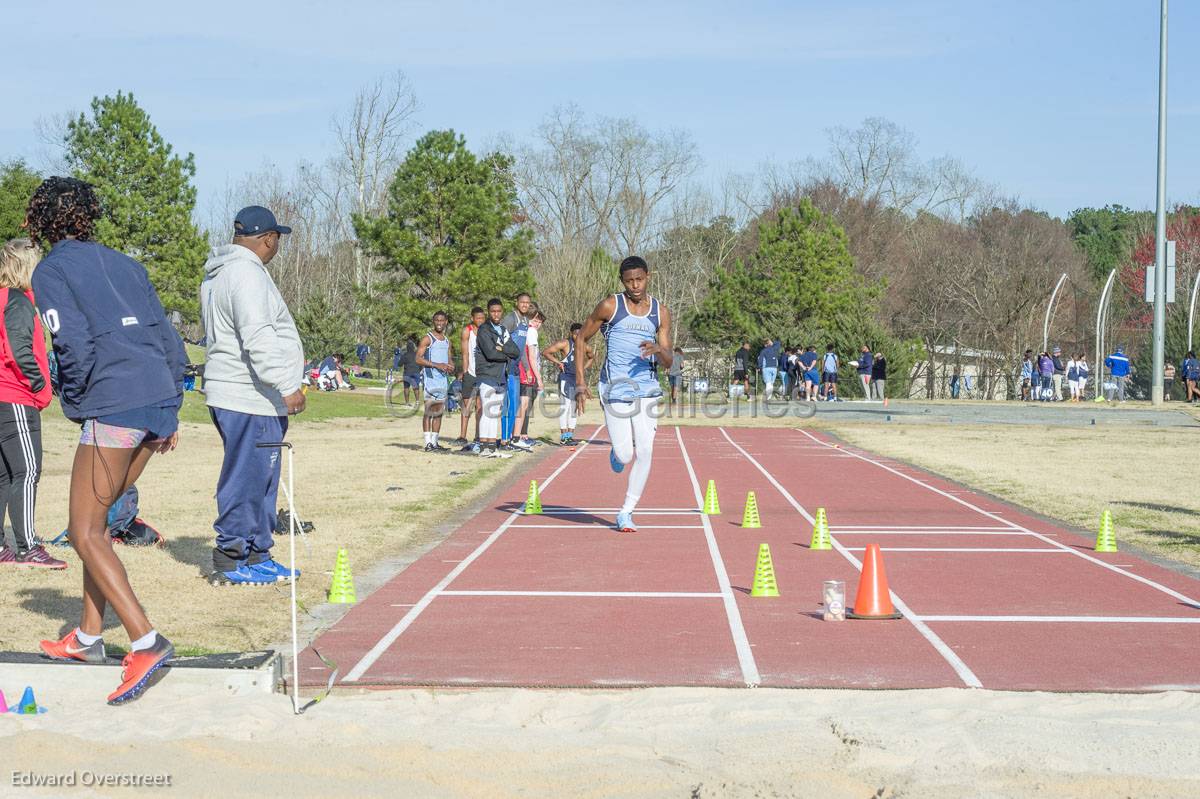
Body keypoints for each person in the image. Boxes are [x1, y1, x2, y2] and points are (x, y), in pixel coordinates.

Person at [30, 177, 186, 704]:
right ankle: (89, 637)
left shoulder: (50, 270)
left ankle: (146, 640)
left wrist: (76, 403)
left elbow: (69, 341)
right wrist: (169, 409)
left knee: (83, 532)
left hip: (113, 401)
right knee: (96, 525)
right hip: (156, 399)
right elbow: (167, 336)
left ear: (40, 220)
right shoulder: (127, 262)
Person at [201, 204, 306, 589]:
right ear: (268, 239)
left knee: (262, 476)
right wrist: (286, 385)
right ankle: (230, 558)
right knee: (246, 477)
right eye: (277, 240)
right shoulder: (246, 274)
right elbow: (258, 336)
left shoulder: (221, 273)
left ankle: (258, 552)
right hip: (249, 396)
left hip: (247, 395)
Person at [575, 255, 673, 533]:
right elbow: (581, 338)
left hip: (647, 388)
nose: (635, 286)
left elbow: (669, 362)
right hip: (615, 387)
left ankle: (626, 512)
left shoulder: (660, 312)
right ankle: (617, 456)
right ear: (622, 282)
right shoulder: (610, 306)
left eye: (639, 279)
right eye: (629, 281)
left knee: (645, 450)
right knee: (625, 454)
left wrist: (659, 349)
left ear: (648, 276)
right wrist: (580, 382)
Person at [0, 239, 61, 569]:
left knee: (5, 475)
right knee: (27, 471)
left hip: (4, 397)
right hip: (14, 398)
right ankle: (28, 547)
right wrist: (40, 386)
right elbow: (18, 351)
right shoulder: (19, 302)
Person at [475, 298, 519, 458]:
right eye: (493, 311)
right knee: (488, 410)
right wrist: (504, 353)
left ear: (502, 311)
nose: (496, 314)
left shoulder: (503, 329)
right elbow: (490, 353)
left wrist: (501, 348)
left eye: (498, 311)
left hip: (501, 376)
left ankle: (492, 447)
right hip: (487, 375)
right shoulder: (484, 330)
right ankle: (484, 447)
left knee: (495, 412)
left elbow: (515, 351)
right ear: (488, 312)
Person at [543, 322, 593, 445]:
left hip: (577, 379)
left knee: (574, 408)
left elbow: (592, 357)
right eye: (576, 334)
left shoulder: (584, 346)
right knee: (565, 407)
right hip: (566, 377)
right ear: (571, 333)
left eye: (580, 334)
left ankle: (570, 436)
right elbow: (546, 352)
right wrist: (558, 362)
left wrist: (583, 368)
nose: (578, 336)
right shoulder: (565, 343)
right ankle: (564, 436)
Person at [416, 311, 454, 452]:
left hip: (443, 380)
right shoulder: (428, 338)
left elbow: (449, 358)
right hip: (430, 378)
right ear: (433, 321)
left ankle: (435, 442)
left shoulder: (447, 340)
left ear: (446, 322)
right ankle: (427, 444)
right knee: (429, 411)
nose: (439, 323)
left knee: (438, 412)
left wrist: (451, 365)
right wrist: (437, 365)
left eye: (442, 320)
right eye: (437, 320)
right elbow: (418, 359)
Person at [500, 292, 532, 446]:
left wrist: (526, 368)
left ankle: (513, 438)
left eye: (527, 303)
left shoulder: (526, 320)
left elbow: (522, 348)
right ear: (517, 302)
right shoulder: (510, 319)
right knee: (507, 405)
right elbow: (500, 340)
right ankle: (504, 439)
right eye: (522, 302)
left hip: (517, 367)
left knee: (515, 405)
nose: (525, 305)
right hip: (507, 366)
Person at [512, 310, 546, 451]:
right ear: (529, 319)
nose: (537, 324)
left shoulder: (527, 330)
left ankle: (517, 436)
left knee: (523, 405)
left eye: (540, 322)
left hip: (524, 370)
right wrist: (538, 378)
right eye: (535, 320)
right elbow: (531, 356)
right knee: (524, 404)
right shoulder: (531, 332)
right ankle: (516, 437)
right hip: (526, 372)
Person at [458, 307, 485, 450]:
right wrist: (465, 371)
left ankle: (478, 435)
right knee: (466, 406)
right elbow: (464, 353)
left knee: (480, 407)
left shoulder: (486, 331)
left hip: (482, 374)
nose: (480, 320)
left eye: (482, 318)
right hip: (470, 372)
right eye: (477, 318)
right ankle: (462, 436)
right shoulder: (467, 331)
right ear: (472, 318)